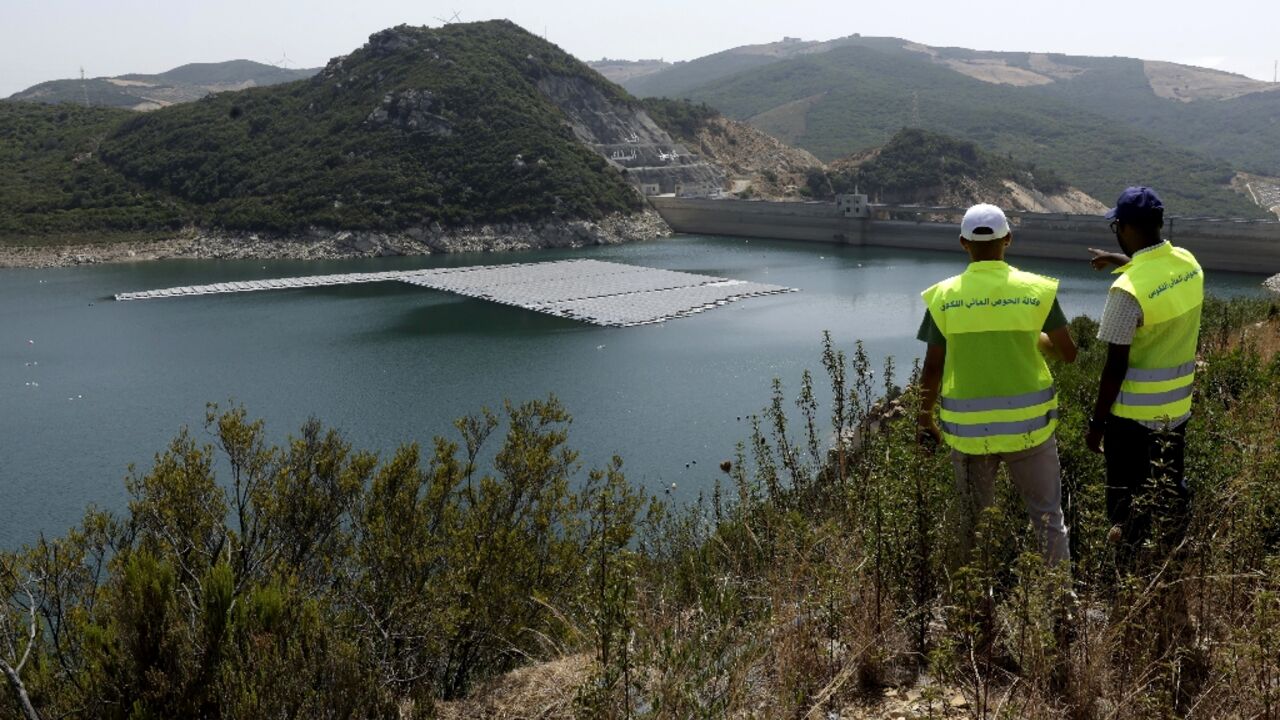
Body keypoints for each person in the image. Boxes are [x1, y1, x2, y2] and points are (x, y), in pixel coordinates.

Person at [917, 203, 1078, 565]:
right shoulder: (1036, 290)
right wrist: (1032, 336)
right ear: (1009, 239)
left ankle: (978, 612)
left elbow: (932, 368)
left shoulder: (944, 296)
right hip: (1031, 430)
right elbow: (1068, 353)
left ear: (963, 243)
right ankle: (1062, 607)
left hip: (971, 434)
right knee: (1048, 517)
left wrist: (923, 419)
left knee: (975, 524)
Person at [1086, 186, 1203, 557]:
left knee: (1125, 501)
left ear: (1126, 228)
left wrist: (1097, 423)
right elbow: (1155, 272)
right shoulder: (1188, 262)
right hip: (1176, 409)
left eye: (1116, 226)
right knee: (1169, 488)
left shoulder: (1126, 292)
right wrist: (1119, 258)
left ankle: (1129, 569)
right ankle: (1174, 555)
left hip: (1132, 420)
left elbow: (1114, 365)